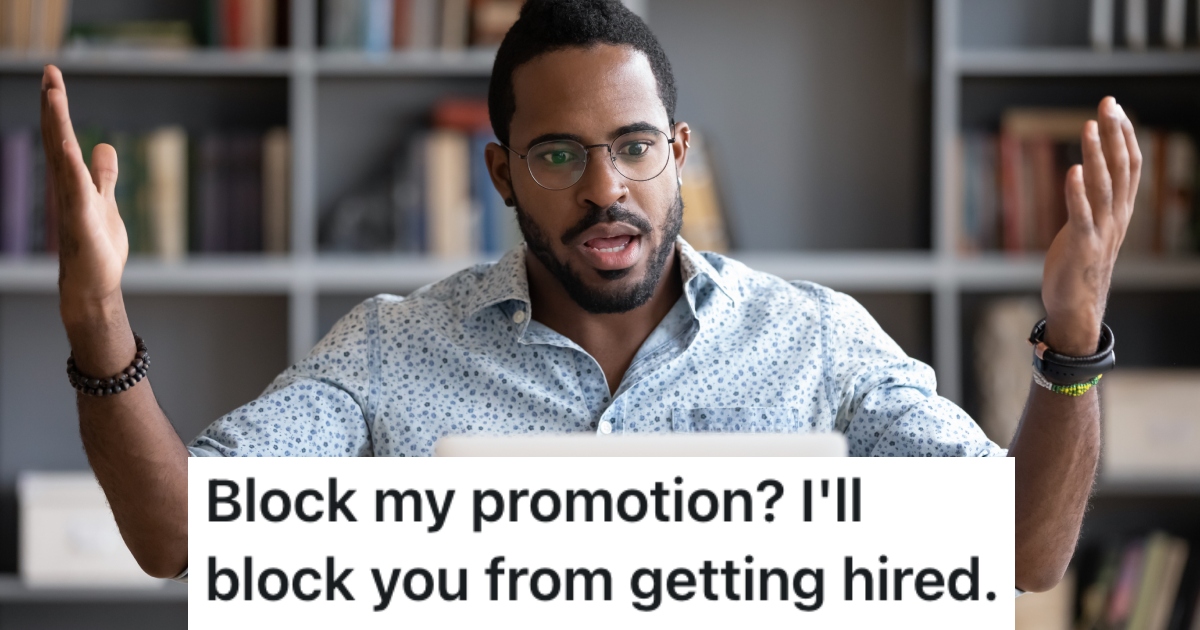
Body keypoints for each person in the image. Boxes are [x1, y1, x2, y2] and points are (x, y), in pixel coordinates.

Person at [41, 0, 1139, 594]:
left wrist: (1076, 337)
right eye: (559, 155)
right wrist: (98, 322)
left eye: (634, 147)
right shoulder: (389, 350)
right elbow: (179, 536)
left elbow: (1021, 552)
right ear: (502, 174)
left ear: (679, 152)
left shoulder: (814, 341)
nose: (606, 187)